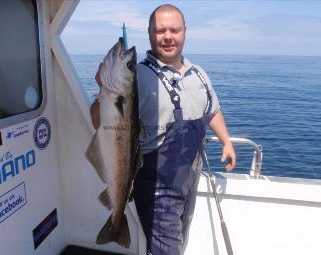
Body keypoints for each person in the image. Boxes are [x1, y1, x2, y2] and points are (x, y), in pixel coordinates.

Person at [91, 4, 236, 254]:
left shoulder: (198, 74)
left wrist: (227, 141)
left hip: (190, 178)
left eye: (174, 30)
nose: (168, 36)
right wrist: (104, 93)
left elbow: (212, 109)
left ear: (184, 32)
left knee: (179, 238)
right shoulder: (137, 75)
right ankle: (117, 221)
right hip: (155, 186)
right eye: (160, 30)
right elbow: (101, 122)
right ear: (149, 33)